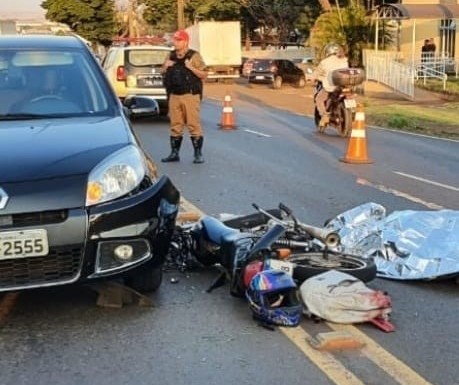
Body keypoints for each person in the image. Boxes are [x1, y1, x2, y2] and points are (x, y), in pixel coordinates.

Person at [161, 29, 208, 164]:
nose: (175, 42)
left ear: (185, 42)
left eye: (178, 40)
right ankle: (174, 153)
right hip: (174, 94)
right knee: (175, 125)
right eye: (175, 40)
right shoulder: (170, 56)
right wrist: (165, 66)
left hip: (190, 94)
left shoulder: (194, 56)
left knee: (193, 124)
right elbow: (162, 72)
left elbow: (204, 74)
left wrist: (191, 68)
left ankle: (198, 154)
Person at [313, 42, 349, 127]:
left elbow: (316, 73)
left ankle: (325, 115)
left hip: (330, 87)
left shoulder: (324, 62)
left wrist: (312, 77)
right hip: (343, 86)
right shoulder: (344, 60)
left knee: (319, 99)